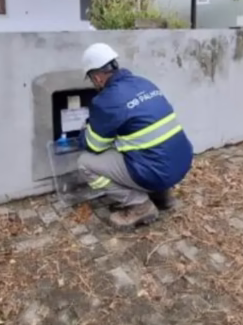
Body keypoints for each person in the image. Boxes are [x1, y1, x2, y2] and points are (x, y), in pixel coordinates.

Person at [77, 43, 194, 228]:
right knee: (142, 146)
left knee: (85, 163)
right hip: (182, 162)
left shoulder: (106, 100)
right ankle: (163, 196)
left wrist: (84, 131)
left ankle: (140, 206)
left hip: (157, 172)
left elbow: (94, 146)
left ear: (98, 77)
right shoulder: (144, 82)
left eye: (92, 80)